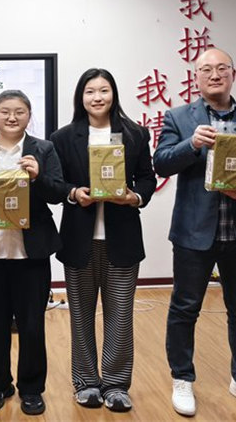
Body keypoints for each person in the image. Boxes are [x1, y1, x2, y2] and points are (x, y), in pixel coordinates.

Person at [153, 48, 236, 418]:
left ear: (233, 75)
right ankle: (182, 378)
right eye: (206, 69)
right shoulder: (179, 117)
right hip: (194, 233)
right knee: (184, 309)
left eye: (222, 68)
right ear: (196, 77)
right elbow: (161, 163)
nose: (214, 74)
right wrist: (191, 144)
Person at [50, 69, 156, 412]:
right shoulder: (64, 137)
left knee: (120, 316)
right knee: (80, 315)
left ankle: (115, 385)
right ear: (80, 97)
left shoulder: (135, 134)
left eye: (104, 90)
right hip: (79, 239)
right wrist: (73, 193)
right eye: (90, 91)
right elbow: (55, 183)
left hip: (122, 239)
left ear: (114, 94)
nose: (97, 97)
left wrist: (134, 197)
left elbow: (147, 178)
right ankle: (86, 383)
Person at [0, 90, 66, 416]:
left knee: (32, 325)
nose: (11, 117)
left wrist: (38, 176)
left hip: (31, 254)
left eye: (19, 111)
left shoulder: (43, 149)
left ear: (28, 116)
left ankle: (32, 389)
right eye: (4, 111)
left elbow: (58, 193)